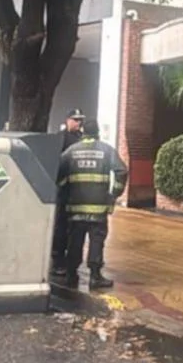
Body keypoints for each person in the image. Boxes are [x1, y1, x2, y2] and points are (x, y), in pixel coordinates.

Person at [56, 119, 127, 290]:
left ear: (82, 131)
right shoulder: (106, 150)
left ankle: (71, 275)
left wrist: (65, 192)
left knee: (75, 241)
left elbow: (60, 175)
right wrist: (113, 194)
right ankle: (95, 277)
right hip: (98, 208)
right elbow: (122, 171)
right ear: (97, 132)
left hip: (75, 208)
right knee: (96, 241)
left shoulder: (71, 151)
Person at [51, 109, 87, 277]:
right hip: (64, 189)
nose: (78, 123)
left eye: (80, 120)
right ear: (67, 120)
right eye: (75, 120)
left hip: (78, 190)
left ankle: (70, 260)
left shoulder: (82, 138)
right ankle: (57, 259)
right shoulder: (61, 137)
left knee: (75, 227)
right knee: (61, 225)